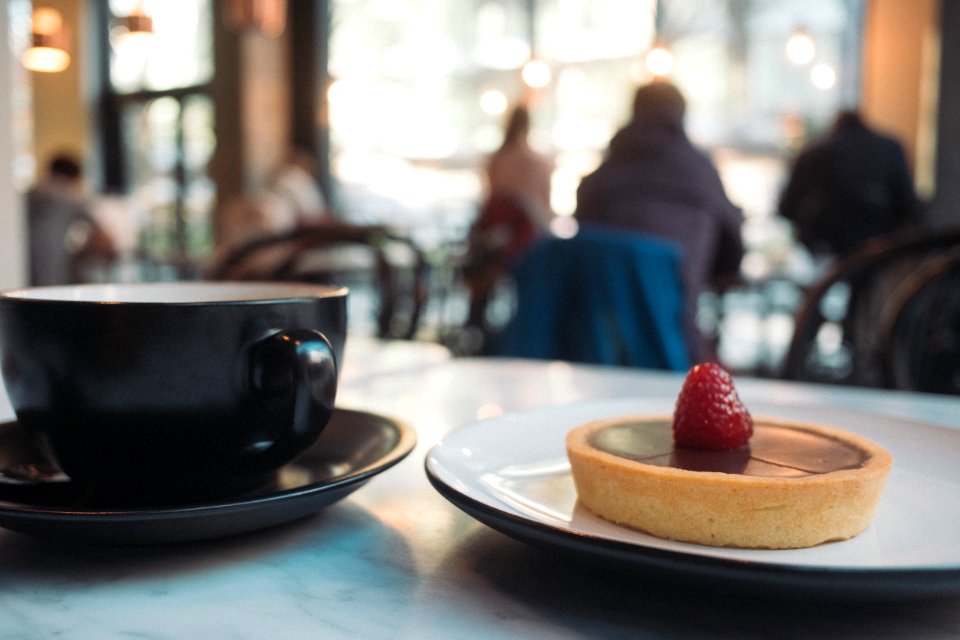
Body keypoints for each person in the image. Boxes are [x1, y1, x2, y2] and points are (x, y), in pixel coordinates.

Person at [574, 81, 744, 364]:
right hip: (676, 344)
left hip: (596, 346)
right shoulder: (700, 170)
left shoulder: (600, 177)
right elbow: (732, 252)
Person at [463, 104, 555, 339]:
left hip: (492, 245)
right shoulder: (540, 162)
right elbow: (545, 211)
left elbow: (488, 200)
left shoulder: (496, 159)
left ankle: (474, 325)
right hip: (524, 244)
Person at [779, 109, 920, 257]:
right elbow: (909, 206)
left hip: (828, 251)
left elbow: (787, 208)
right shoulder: (891, 148)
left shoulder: (815, 153)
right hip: (880, 249)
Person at [26, 153, 117, 286]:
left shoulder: (32, 193)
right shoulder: (70, 196)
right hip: (55, 257)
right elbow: (96, 224)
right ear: (73, 177)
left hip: (28, 255)